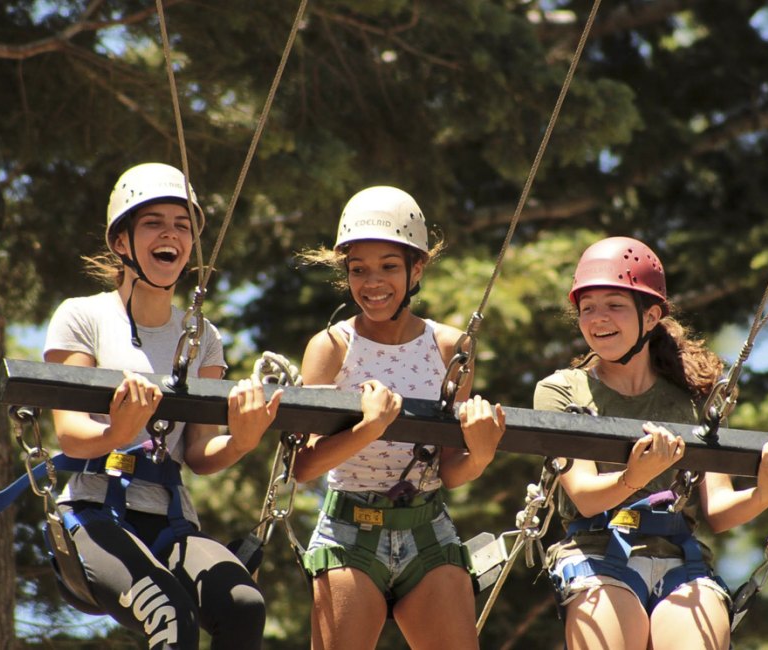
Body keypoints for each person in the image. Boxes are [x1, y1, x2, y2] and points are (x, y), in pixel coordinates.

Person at [43, 162, 282, 649]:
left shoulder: (203, 338)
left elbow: (197, 453)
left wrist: (242, 441)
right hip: (94, 510)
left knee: (244, 605)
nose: (170, 234)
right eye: (153, 222)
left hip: (170, 517)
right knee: (171, 616)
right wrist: (116, 431)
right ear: (121, 242)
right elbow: (69, 434)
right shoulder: (83, 317)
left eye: (182, 225)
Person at [534, 236, 768, 650]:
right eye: (587, 307)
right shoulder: (562, 392)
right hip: (596, 552)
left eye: (614, 305)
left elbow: (717, 510)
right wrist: (633, 478)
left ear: (650, 316)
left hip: (681, 560)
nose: (597, 318)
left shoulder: (694, 398)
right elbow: (586, 498)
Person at [294, 186, 507, 650]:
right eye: (359, 270)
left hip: (428, 527)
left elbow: (450, 470)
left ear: (417, 268)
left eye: (389, 267)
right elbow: (304, 466)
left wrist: (481, 454)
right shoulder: (330, 348)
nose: (373, 283)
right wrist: (369, 428)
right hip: (349, 529)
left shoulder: (451, 348)